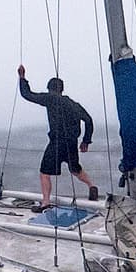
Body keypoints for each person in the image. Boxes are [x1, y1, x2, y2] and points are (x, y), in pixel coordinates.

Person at [17, 64, 98, 211]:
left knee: (44, 172)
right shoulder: (74, 104)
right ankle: (92, 186)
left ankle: (46, 203)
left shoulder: (50, 98)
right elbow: (88, 120)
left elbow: (27, 95)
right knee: (75, 169)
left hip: (57, 143)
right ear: (62, 89)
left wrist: (22, 77)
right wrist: (86, 141)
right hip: (72, 142)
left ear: (49, 89)